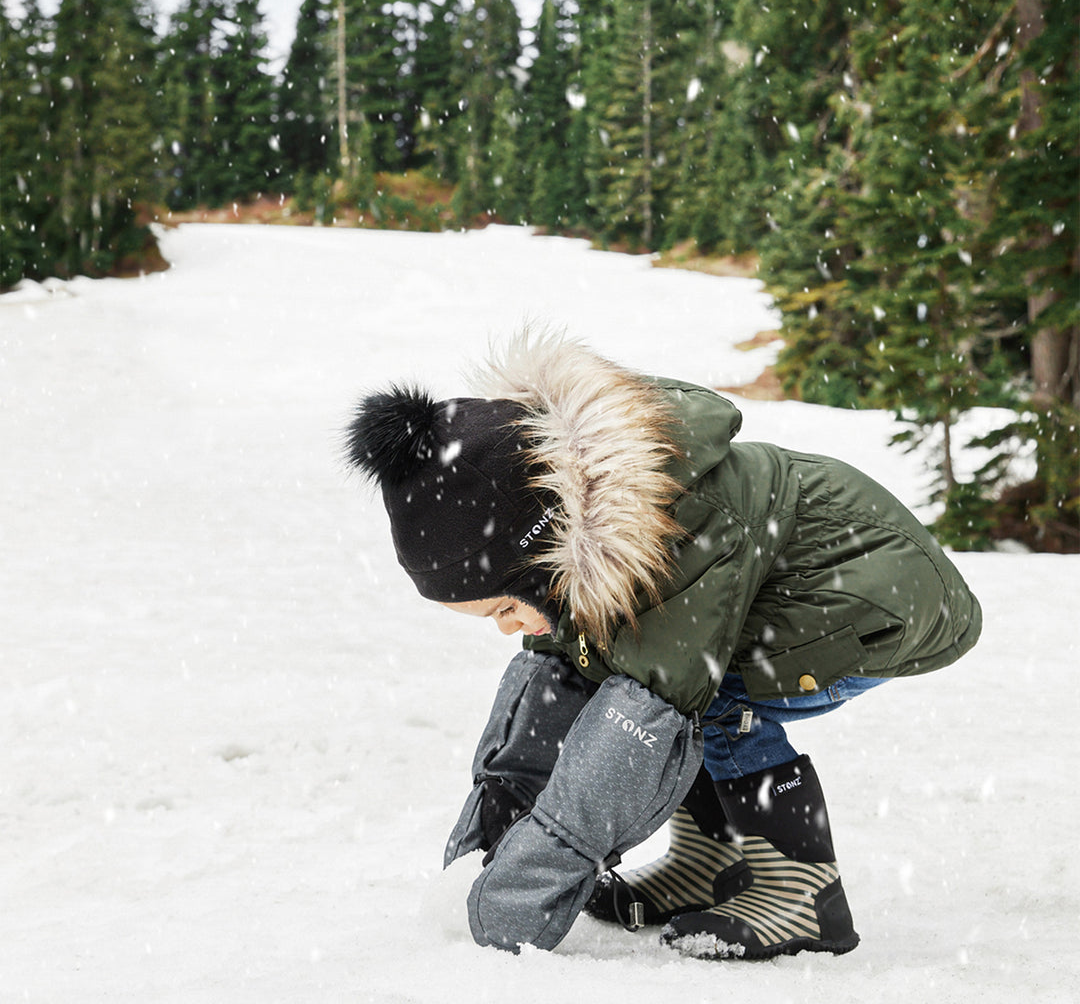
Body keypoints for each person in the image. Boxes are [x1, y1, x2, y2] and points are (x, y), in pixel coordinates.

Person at [343, 329, 981, 960]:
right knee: (651, 679)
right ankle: (708, 861)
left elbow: (645, 713)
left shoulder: (675, 526)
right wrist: (495, 832)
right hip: (800, 591)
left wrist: (530, 887)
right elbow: (559, 686)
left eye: (506, 607)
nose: (507, 628)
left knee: (699, 697)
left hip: (876, 596)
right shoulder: (583, 532)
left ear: (544, 549)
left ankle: (803, 895)